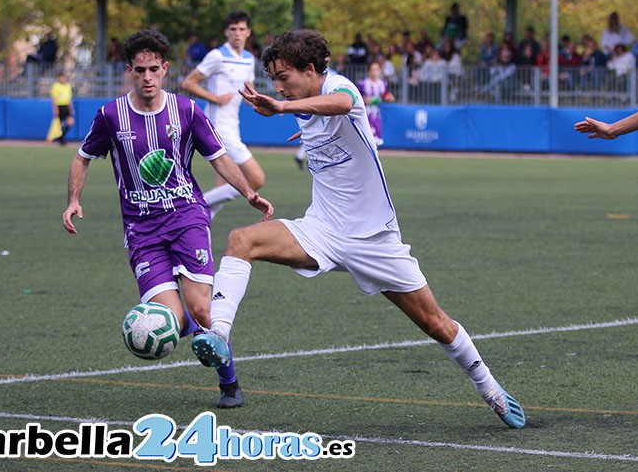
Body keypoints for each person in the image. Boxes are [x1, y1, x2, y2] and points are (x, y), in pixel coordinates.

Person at [191, 29, 526, 429]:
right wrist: (298, 115)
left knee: (436, 323)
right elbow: (321, 118)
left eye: (283, 77)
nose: (277, 86)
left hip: (373, 240)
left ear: (310, 70)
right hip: (321, 230)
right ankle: (220, 336)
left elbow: (345, 102)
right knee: (241, 240)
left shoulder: (338, 87)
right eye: (274, 79)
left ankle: (491, 390)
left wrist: (280, 106)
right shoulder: (303, 105)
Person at [61, 29, 273, 408]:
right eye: (139, 69)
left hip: (187, 217)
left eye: (153, 69)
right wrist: (73, 200)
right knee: (169, 321)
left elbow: (219, 157)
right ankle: (193, 329)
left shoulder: (187, 111)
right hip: (141, 230)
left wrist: (249, 193)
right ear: (129, 70)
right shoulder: (110, 115)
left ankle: (229, 383)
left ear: (165, 69)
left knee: (203, 307)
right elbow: (82, 156)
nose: (146, 77)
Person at [181, 11, 266, 219]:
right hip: (218, 127)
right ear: (226, 32)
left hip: (232, 126)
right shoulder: (217, 55)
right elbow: (188, 83)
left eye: (241, 29)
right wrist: (215, 98)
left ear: (249, 33)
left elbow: (248, 95)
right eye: (233, 29)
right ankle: (194, 207)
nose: (237, 34)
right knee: (256, 179)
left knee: (224, 186)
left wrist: (268, 106)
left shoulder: (248, 59)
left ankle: (201, 223)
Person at [358, 61, 394, 146]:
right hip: (366, 113)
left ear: (380, 71)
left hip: (376, 114)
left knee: (376, 139)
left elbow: (386, 95)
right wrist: (364, 100)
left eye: (376, 70)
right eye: (372, 70)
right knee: (367, 136)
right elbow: (356, 97)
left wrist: (389, 97)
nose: (374, 72)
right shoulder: (363, 84)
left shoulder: (382, 84)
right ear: (368, 71)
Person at [49, 71, 74, 146]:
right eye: (62, 77)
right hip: (59, 106)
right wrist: (55, 109)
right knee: (60, 124)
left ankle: (61, 137)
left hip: (66, 106)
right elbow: (54, 99)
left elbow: (69, 98)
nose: (63, 79)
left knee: (71, 122)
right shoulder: (55, 86)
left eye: (64, 77)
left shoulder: (68, 86)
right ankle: (61, 139)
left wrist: (71, 108)